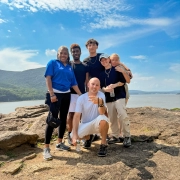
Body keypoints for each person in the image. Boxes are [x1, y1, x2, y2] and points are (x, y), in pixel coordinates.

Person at [43, 46, 82, 160]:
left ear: (68, 55)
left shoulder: (69, 67)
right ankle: (46, 148)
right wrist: (51, 94)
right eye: (61, 53)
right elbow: (48, 78)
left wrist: (81, 95)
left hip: (66, 94)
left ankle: (59, 142)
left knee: (63, 118)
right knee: (52, 120)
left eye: (65, 53)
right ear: (58, 54)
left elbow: (73, 83)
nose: (63, 55)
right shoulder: (53, 63)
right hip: (55, 94)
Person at [99, 54, 131, 147]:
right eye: (102, 60)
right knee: (112, 118)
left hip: (119, 95)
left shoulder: (117, 69)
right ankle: (115, 135)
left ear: (109, 60)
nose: (104, 61)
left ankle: (127, 136)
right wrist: (105, 89)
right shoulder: (101, 74)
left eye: (105, 59)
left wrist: (115, 85)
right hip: (109, 97)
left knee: (122, 114)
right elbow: (102, 87)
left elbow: (123, 81)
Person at [71, 78, 109, 157]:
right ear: (88, 85)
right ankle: (88, 138)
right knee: (73, 136)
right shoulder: (81, 98)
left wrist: (100, 103)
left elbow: (102, 112)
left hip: (97, 123)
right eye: (92, 84)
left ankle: (103, 144)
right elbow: (76, 116)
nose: (94, 87)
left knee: (104, 119)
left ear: (99, 87)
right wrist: (75, 135)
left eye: (97, 85)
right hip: (85, 123)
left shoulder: (101, 95)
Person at [83, 38, 104, 147]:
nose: (91, 46)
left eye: (93, 44)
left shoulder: (101, 56)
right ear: (87, 47)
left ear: (97, 46)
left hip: (103, 87)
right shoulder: (86, 61)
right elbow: (87, 77)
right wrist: (88, 90)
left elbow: (114, 62)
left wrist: (127, 69)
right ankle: (90, 136)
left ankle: (102, 135)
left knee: (102, 110)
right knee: (91, 112)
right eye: (89, 45)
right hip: (92, 88)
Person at [67, 43, 89, 145]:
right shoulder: (69, 65)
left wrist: (88, 94)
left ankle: (81, 134)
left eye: (77, 51)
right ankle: (70, 134)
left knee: (82, 115)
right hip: (71, 94)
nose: (75, 53)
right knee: (71, 115)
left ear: (80, 52)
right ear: (71, 53)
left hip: (82, 93)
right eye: (73, 51)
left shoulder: (85, 66)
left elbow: (87, 81)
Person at [110, 53, 133, 139]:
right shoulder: (109, 68)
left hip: (123, 92)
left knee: (121, 113)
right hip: (112, 94)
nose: (114, 61)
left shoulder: (121, 68)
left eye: (117, 60)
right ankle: (117, 133)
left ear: (119, 60)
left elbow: (128, 80)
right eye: (113, 60)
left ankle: (122, 134)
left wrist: (124, 69)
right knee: (114, 114)